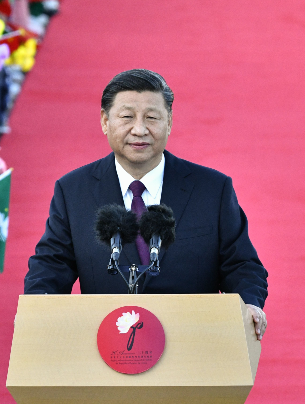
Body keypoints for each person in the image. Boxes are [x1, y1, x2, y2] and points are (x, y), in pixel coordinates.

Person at [24, 69, 269, 341]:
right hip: (106, 348)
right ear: (105, 121)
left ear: (169, 122)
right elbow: (52, 264)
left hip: (193, 345)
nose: (139, 130)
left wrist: (250, 302)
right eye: (127, 117)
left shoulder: (212, 189)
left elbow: (241, 263)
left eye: (152, 118)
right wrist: (38, 306)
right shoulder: (73, 191)